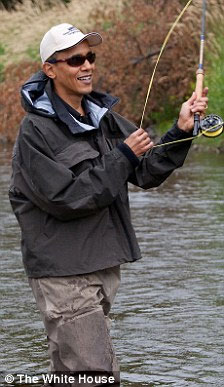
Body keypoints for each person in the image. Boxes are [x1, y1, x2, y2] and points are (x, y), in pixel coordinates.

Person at [9, 23, 208, 387]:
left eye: (90, 57)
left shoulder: (103, 117)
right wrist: (122, 156)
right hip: (64, 272)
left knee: (75, 377)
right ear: (50, 69)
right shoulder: (34, 133)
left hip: (102, 266)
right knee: (97, 376)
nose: (86, 66)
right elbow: (66, 198)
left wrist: (180, 131)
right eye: (74, 60)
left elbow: (146, 171)